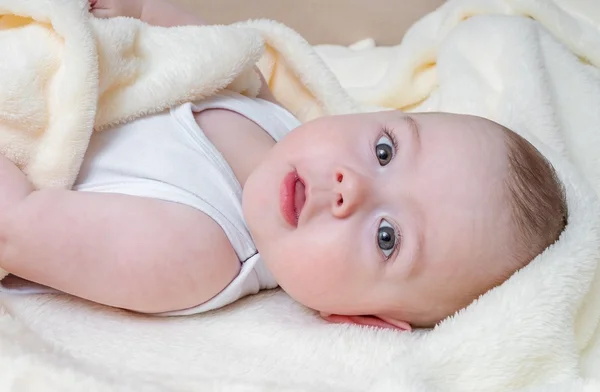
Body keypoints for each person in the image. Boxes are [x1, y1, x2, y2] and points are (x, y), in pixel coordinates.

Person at [0, 0, 567, 331]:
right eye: (385, 151)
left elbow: (16, 226)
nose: (351, 188)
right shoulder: (277, 118)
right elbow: (195, 47)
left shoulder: (193, 253)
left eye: (388, 237)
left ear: (359, 318)